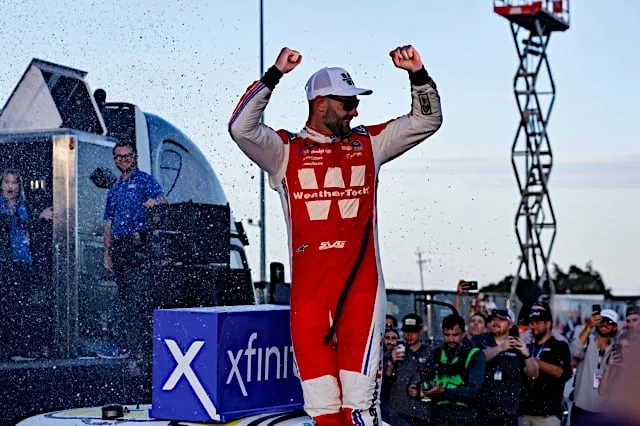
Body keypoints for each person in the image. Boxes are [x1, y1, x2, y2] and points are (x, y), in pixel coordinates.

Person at [228, 45, 442, 426]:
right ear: (321, 103)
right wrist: (274, 75)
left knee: (359, 411)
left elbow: (426, 121)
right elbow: (240, 127)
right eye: (347, 103)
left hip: (360, 294)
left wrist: (417, 75)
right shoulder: (284, 151)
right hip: (309, 302)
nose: (354, 110)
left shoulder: (369, 144)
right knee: (323, 413)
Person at [103, 142, 167, 358]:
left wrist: (154, 202)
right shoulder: (114, 188)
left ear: (135, 157)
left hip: (139, 244)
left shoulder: (145, 180)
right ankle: (129, 348)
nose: (123, 160)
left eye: (127, 156)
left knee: (139, 298)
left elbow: (162, 199)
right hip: (119, 246)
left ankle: (142, 350)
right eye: (119, 157)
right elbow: (109, 223)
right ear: (114, 160)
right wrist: (107, 252)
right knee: (124, 298)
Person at [0, 170, 52, 360]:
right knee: (9, 305)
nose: (10, 187)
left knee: (20, 305)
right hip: (5, 262)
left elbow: (31, 230)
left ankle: (19, 348)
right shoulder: (2, 207)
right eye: (7, 182)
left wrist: (40, 216)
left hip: (23, 260)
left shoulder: (24, 206)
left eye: (14, 183)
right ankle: (11, 349)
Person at [472, 308, 539, 426]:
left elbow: (533, 374)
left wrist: (527, 355)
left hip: (508, 414)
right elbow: (476, 360)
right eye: (493, 319)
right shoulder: (479, 340)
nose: (495, 322)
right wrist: (500, 348)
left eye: (501, 320)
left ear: (510, 325)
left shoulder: (518, 345)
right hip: (480, 412)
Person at [420, 314, 486, 426]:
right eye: (447, 335)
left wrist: (444, 392)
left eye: (455, 335)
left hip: (464, 416)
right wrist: (419, 389)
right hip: (438, 416)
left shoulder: (475, 355)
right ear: (442, 334)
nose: (451, 339)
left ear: (464, 333)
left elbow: (474, 390)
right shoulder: (435, 354)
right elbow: (424, 380)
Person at [519, 305, 573, 426]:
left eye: (537, 323)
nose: (533, 327)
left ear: (548, 324)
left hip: (548, 415)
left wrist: (534, 361)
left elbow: (559, 372)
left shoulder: (560, 345)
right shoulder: (527, 345)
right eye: (531, 323)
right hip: (524, 412)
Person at [569, 308, 618, 425]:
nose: (605, 324)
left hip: (605, 411)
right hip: (581, 407)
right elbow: (575, 351)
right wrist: (588, 327)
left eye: (610, 322)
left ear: (615, 327)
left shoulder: (617, 348)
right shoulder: (586, 340)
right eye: (602, 320)